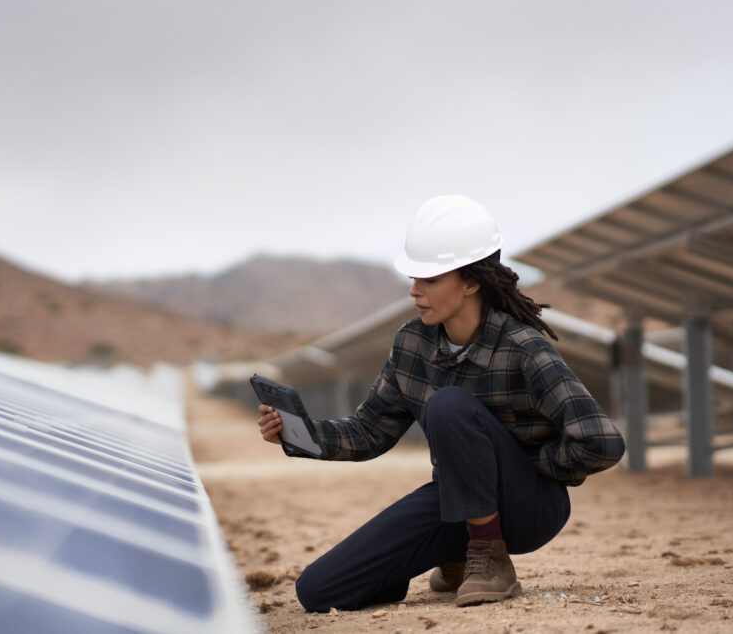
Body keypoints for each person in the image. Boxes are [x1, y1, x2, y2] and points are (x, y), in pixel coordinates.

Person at [257, 194, 625, 611]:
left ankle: (489, 560)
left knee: (449, 405)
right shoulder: (412, 342)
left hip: (530, 510)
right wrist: (301, 435)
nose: (415, 292)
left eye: (430, 280)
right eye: (414, 278)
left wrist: (522, 467)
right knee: (320, 591)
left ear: (471, 282)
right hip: (457, 500)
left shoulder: (524, 348)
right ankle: (455, 552)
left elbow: (601, 442)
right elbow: (369, 431)